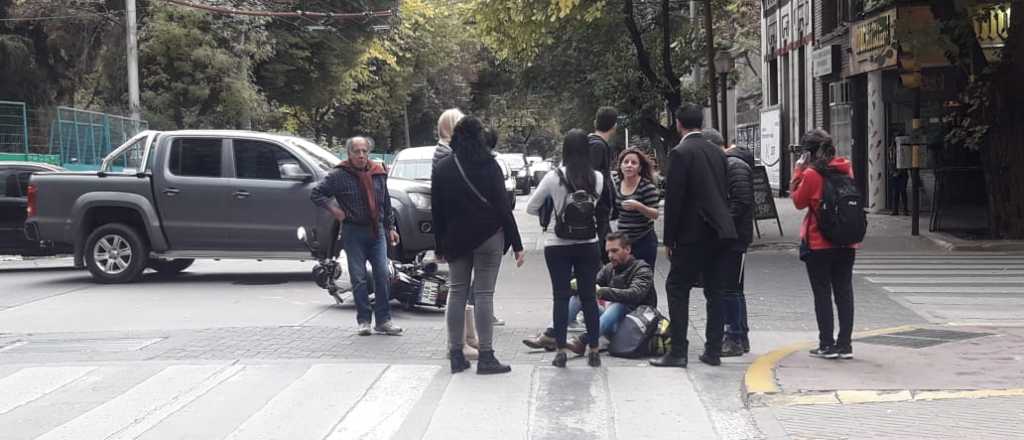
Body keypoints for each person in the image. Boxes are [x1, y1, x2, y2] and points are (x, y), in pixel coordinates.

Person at [432, 116, 525, 374]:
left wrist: (439, 246)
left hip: (456, 239)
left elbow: (437, 210)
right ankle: (486, 356)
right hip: (488, 237)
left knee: (456, 293)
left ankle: (455, 354)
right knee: (484, 295)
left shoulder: (443, 167)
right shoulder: (489, 165)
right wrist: (517, 244)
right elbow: (503, 207)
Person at [650, 104, 737, 368]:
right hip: (721, 230)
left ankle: (678, 351)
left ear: (678, 123)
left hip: (692, 232)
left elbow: (675, 199)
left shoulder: (680, 153)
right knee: (715, 290)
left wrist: (669, 239)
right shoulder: (718, 152)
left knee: (677, 288)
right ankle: (713, 350)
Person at [527, 129, 605, 368]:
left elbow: (531, 207)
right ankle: (594, 350)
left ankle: (560, 350)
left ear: (565, 149)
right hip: (589, 244)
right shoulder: (598, 178)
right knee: (589, 298)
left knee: (560, 297)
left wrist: (552, 210)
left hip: (557, 244)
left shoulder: (554, 177)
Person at [311, 136, 403, 336]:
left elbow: (385, 201)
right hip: (353, 232)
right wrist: (335, 211)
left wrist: (391, 227)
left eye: (364, 151)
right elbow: (317, 194)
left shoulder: (378, 172)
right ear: (349, 154)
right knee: (359, 278)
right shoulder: (339, 175)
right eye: (356, 152)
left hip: (377, 231)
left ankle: (384, 320)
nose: (361, 155)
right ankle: (364, 321)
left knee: (382, 274)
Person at [790, 129, 858, 360]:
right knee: (844, 292)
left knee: (822, 293)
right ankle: (845, 345)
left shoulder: (811, 174)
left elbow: (798, 201)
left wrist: (798, 170)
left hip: (819, 242)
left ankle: (827, 344)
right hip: (847, 242)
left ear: (808, 153)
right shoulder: (846, 168)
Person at [703, 128, 754, 357]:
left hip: (734, 238)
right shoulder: (729, 164)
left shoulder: (734, 166)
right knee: (733, 288)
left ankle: (734, 337)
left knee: (730, 289)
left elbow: (741, 202)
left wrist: (720, 224)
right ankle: (740, 335)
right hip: (731, 235)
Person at [563, 232, 656, 354]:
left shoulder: (642, 269)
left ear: (627, 249)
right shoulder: (609, 268)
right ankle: (552, 334)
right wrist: (576, 286)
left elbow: (635, 294)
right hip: (611, 323)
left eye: (614, 251)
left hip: (635, 327)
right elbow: (593, 283)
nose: (610, 255)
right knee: (581, 296)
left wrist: (601, 292)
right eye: (608, 252)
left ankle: (582, 340)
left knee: (618, 305)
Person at [613, 148, 661, 268]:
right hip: (623, 241)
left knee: (643, 276)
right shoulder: (616, 184)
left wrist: (639, 206)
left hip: (643, 240)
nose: (629, 165)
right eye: (626, 162)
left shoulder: (647, 187)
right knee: (623, 276)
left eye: (634, 163)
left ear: (640, 168)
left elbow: (655, 214)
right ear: (620, 166)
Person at [589, 107, 618, 263]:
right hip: (599, 209)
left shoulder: (592, 143)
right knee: (603, 255)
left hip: (599, 209)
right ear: (614, 126)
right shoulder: (598, 146)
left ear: (595, 122)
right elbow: (592, 177)